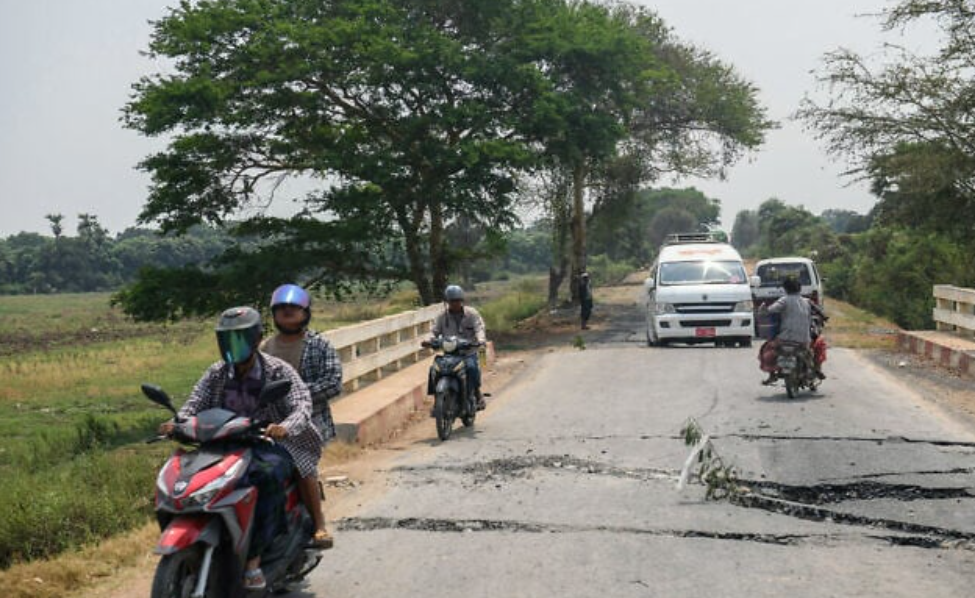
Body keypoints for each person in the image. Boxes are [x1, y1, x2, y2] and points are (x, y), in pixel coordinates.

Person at [159, 306, 321, 591]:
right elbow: (194, 403)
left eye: (240, 339)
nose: (233, 347)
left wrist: (284, 426)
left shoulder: (276, 370)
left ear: (256, 339)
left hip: (268, 443)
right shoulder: (217, 372)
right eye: (227, 340)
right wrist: (177, 422)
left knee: (266, 478)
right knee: (187, 476)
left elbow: (302, 404)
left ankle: (254, 561)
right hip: (222, 444)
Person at [262, 284, 342, 549]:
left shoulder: (319, 345)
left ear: (305, 313)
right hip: (271, 420)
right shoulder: (265, 348)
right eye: (281, 309)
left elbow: (333, 382)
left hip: (310, 419)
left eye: (293, 309)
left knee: (300, 464)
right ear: (274, 314)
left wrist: (298, 397)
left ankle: (319, 525)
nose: (287, 313)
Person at [423, 285, 488, 409]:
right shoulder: (442, 316)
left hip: (468, 352)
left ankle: (477, 393)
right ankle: (437, 399)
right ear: (447, 302)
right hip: (450, 353)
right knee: (434, 369)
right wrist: (429, 340)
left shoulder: (471, 313)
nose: (455, 304)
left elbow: (479, 328)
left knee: (471, 368)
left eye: (457, 300)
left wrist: (480, 340)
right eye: (452, 301)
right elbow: (434, 330)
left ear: (462, 301)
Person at [759, 277, 827, 384]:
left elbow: (770, 310)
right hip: (804, 340)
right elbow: (821, 312)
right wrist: (824, 317)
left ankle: (772, 375)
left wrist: (763, 310)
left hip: (784, 339)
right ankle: (817, 368)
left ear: (785, 289)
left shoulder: (784, 300)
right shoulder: (807, 302)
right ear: (799, 289)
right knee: (819, 345)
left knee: (766, 348)